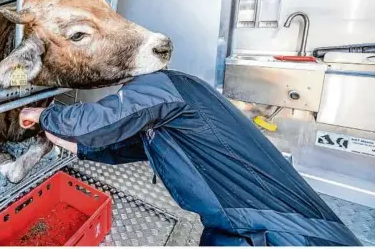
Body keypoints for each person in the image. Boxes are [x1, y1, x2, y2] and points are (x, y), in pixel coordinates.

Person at [19, 70, 362, 246]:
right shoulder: (168, 117)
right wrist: (73, 144)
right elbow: (125, 145)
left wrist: (43, 115)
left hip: (280, 235)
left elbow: (97, 123)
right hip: (238, 226)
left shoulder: (166, 85)